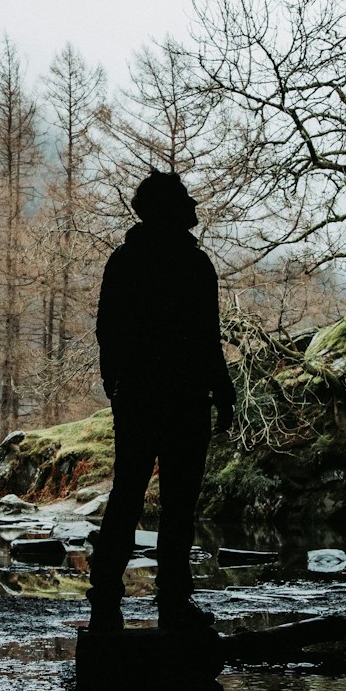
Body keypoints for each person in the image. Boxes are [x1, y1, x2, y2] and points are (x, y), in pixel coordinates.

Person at [87, 170, 235, 633]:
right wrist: (223, 391)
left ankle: (106, 590)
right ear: (171, 209)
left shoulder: (125, 261)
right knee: (178, 501)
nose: (195, 206)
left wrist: (116, 385)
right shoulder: (195, 265)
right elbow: (207, 338)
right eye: (187, 199)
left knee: (128, 493)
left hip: (138, 398)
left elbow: (107, 331)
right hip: (186, 398)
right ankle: (173, 597)